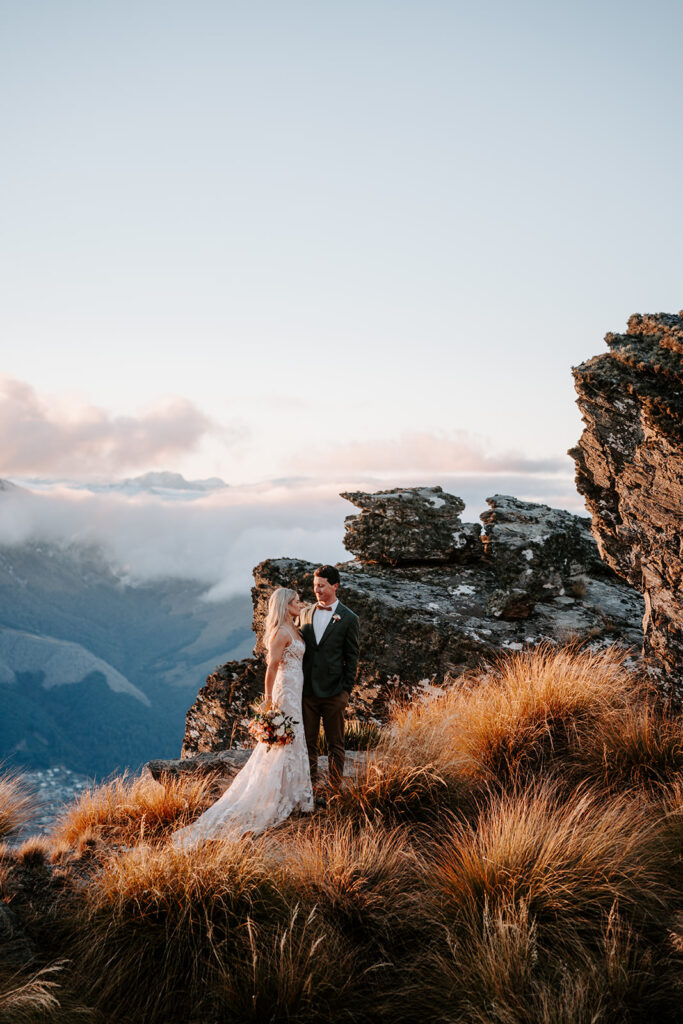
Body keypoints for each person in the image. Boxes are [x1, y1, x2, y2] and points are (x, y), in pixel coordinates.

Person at [171, 588, 313, 845]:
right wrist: (269, 701)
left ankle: (292, 794)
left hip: (297, 689)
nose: (300, 603)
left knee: (294, 737)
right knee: (281, 743)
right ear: (284, 605)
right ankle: (273, 797)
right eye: (295, 601)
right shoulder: (280, 633)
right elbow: (271, 668)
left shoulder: (295, 628)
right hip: (284, 691)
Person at [298, 565, 360, 790]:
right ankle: (310, 789)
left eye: (322, 586)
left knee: (336, 745)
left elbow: (352, 656)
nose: (317, 590)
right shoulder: (305, 613)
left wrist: (346, 691)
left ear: (335, 586)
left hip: (335, 692)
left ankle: (334, 789)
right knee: (308, 743)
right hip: (308, 693)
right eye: (315, 586)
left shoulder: (349, 618)